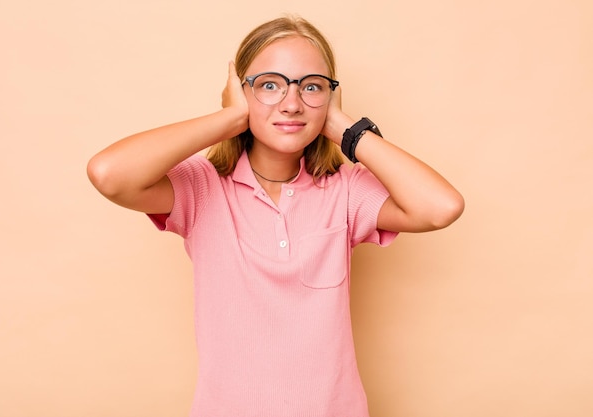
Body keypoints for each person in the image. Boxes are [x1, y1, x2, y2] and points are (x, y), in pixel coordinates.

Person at [87, 15, 464, 417]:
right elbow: (109, 174)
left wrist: (342, 127)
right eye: (270, 84)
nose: (291, 103)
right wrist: (229, 119)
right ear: (240, 92)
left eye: (311, 87)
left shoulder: (346, 190)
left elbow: (441, 207)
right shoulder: (201, 187)